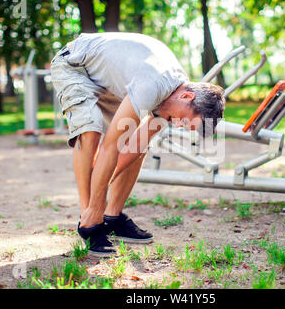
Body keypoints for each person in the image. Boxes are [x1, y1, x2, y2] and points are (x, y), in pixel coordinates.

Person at [50, 32, 225, 257]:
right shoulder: (153, 85)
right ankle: (89, 222)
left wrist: (100, 185)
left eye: (185, 127)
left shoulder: (170, 98)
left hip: (106, 80)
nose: (179, 125)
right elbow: (110, 147)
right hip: (74, 65)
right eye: (185, 121)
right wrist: (95, 202)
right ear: (186, 97)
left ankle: (111, 217)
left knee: (138, 145)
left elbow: (130, 148)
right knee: (90, 130)